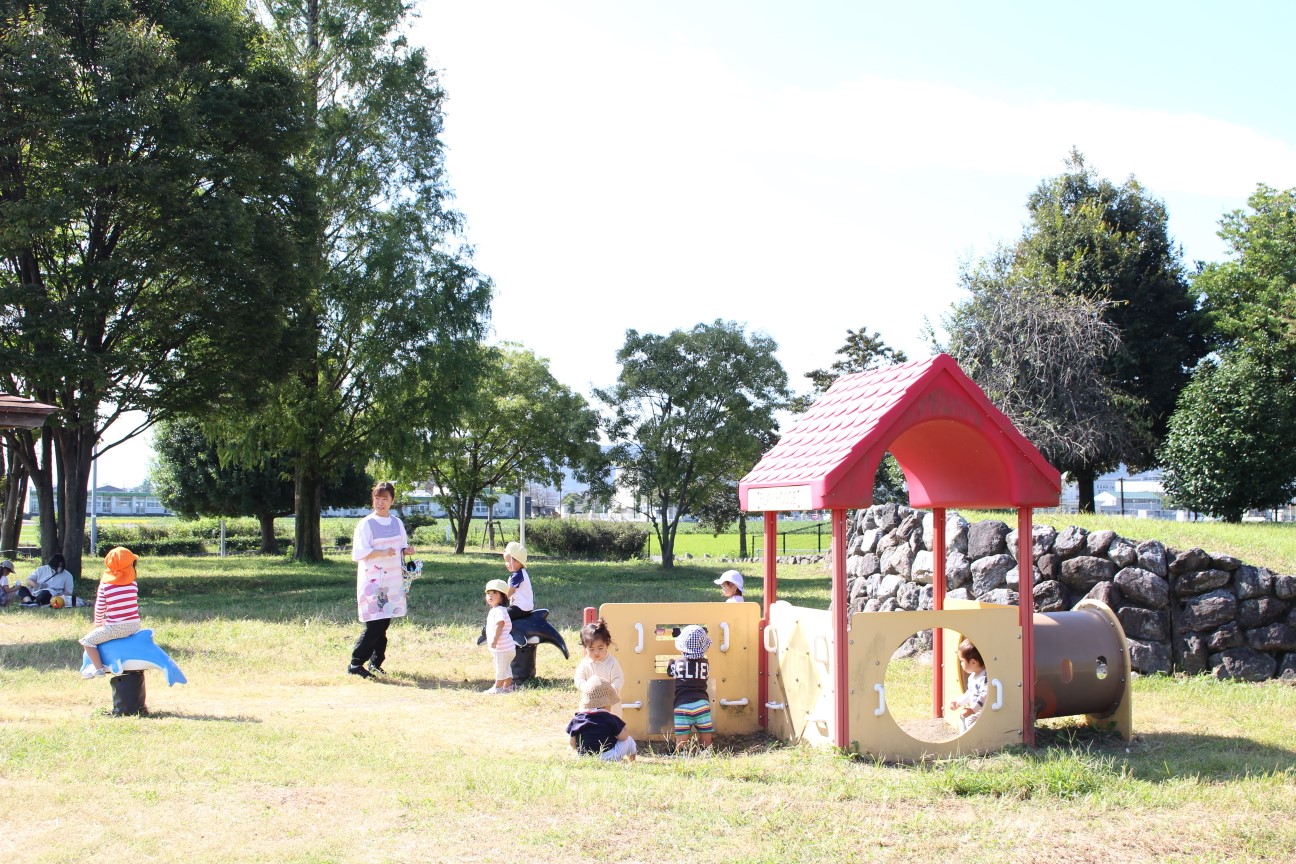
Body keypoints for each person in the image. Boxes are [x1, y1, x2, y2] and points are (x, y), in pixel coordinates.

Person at [348, 481, 413, 679]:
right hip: (373, 582)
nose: (380, 502)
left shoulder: (397, 523)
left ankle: (376, 662)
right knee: (374, 624)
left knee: (384, 622)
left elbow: (402, 545)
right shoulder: (366, 524)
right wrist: (381, 552)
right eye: (377, 498)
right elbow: (359, 553)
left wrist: (407, 550)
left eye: (384, 498)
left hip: (392, 580)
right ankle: (356, 663)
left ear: (392, 500)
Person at [79, 547, 141, 678]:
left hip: (116, 626)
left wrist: (98, 622)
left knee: (87, 642)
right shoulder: (133, 585)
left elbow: (100, 607)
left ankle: (98, 669)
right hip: (135, 624)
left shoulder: (106, 586)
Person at [566, 676, 636, 762]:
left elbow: (572, 744)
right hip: (609, 756)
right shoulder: (610, 718)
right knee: (629, 740)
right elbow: (623, 738)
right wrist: (624, 729)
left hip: (585, 757)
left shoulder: (577, 719)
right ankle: (632, 761)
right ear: (606, 704)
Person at [667, 624, 713, 752]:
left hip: (682, 705)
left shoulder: (678, 664)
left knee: (682, 734)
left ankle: (681, 752)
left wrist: (670, 662)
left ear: (682, 648)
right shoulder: (705, 664)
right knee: (705, 731)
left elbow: (670, 672)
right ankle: (707, 750)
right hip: (702, 703)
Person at [574, 617, 624, 717]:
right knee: (590, 723)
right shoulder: (585, 663)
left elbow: (619, 678)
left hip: (610, 702)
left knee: (612, 724)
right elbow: (579, 678)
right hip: (590, 703)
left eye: (600, 648)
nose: (596, 652)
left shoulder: (612, 663)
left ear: (607, 644)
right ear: (585, 648)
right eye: (591, 649)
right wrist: (585, 687)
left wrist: (613, 688)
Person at [483, 579, 515, 694]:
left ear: (503, 597)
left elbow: (500, 624)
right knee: (506, 668)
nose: (490, 596)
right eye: (488, 593)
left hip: (502, 647)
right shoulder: (499, 610)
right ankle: (507, 687)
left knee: (500, 668)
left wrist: (495, 640)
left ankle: (497, 688)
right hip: (508, 647)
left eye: (495, 593)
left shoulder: (498, 611)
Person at [948, 639, 988, 730]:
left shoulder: (985, 678)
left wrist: (972, 710)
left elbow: (984, 696)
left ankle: (974, 742)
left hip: (983, 710)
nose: (961, 664)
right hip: (975, 709)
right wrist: (958, 702)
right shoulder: (972, 677)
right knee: (962, 716)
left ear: (973, 662)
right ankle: (963, 740)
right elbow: (970, 693)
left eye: (962, 661)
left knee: (970, 721)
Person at [500, 541, 534, 621]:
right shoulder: (520, 573)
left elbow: (510, 591)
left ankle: (504, 632)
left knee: (501, 616)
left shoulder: (517, 575)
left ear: (517, 561)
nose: (506, 564)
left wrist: (501, 601)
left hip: (520, 607)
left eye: (508, 561)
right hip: (524, 606)